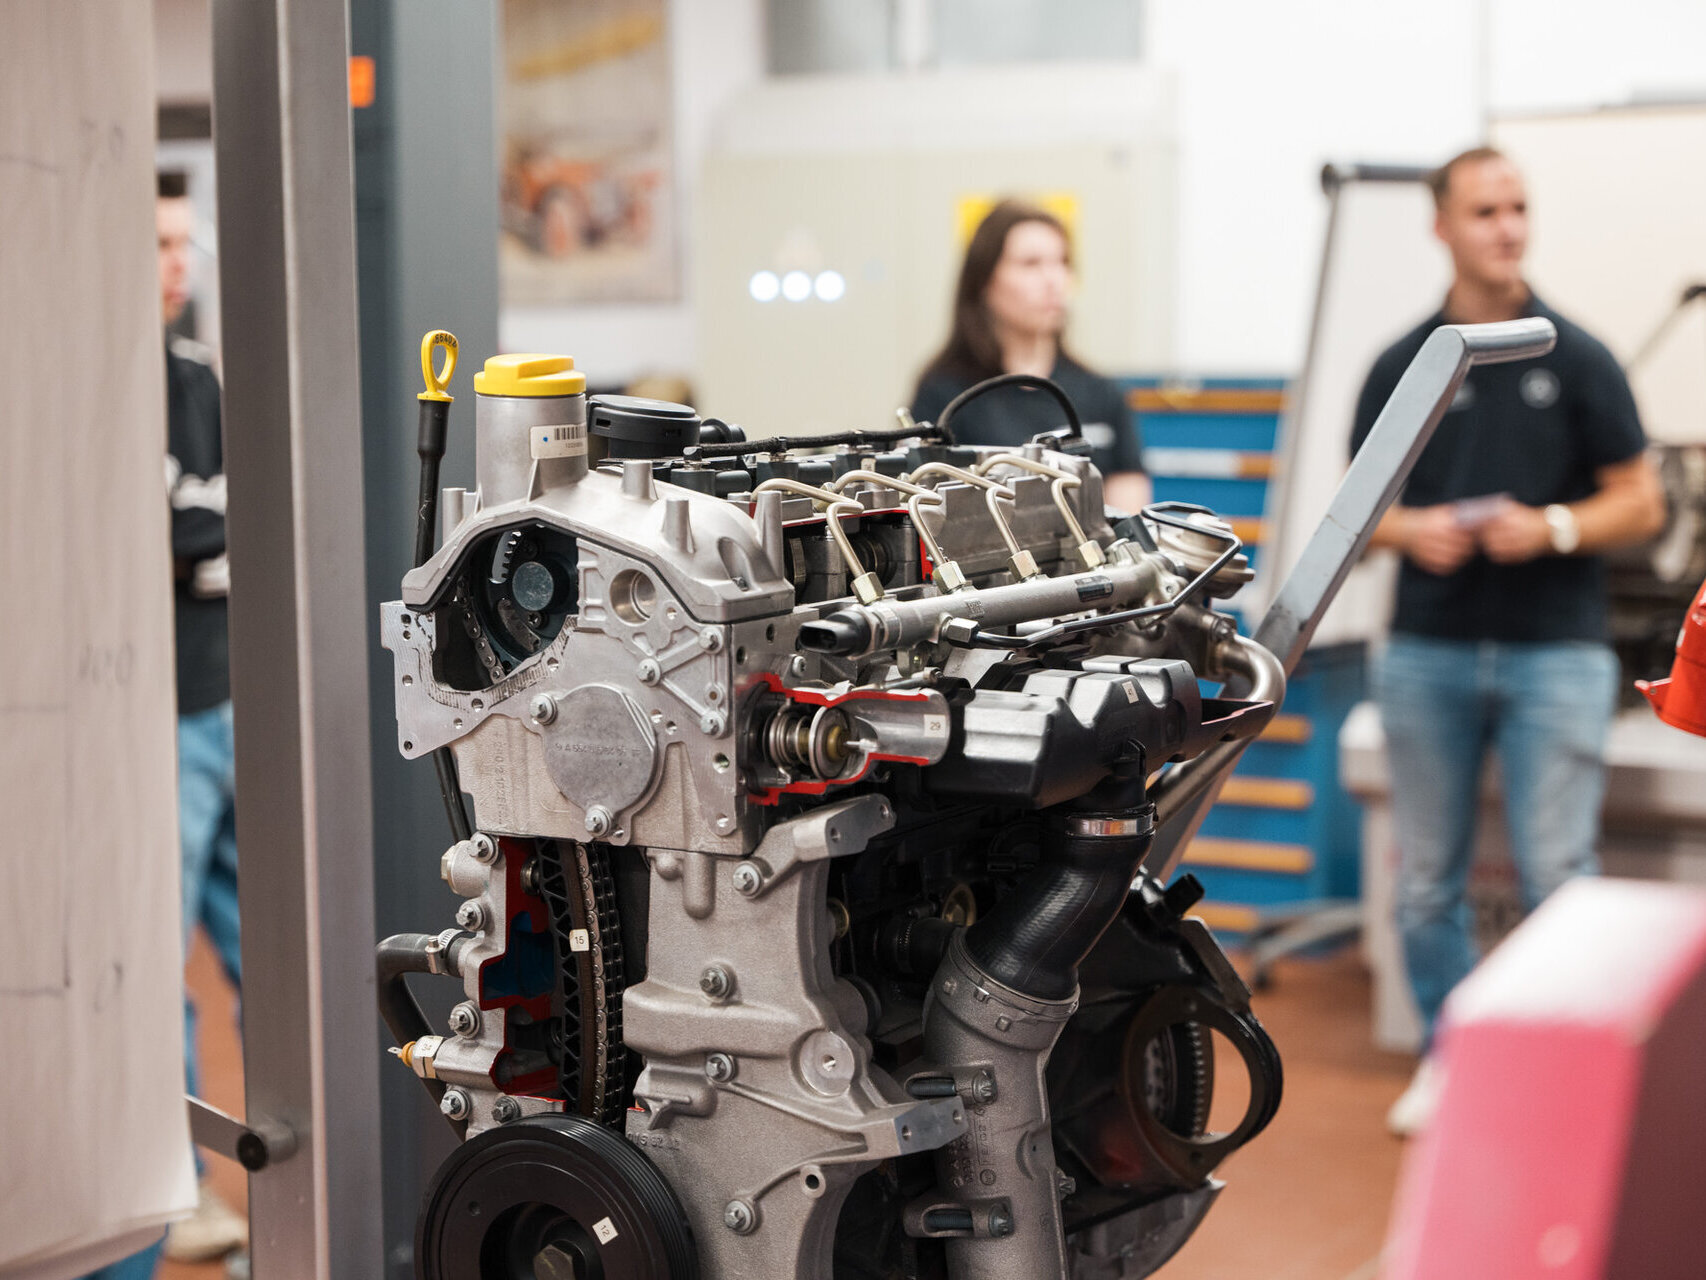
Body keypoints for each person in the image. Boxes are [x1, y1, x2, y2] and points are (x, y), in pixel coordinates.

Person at [1351, 147, 1664, 1136]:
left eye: (1518, 207)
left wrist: (1556, 526)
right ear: (1439, 223)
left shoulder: (1576, 356)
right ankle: (1454, 1058)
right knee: (1427, 881)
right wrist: (1413, 529)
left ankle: (1558, 1072)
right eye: (1484, 210)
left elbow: (1641, 500)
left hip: (1553, 654)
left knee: (1557, 880)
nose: (1506, 227)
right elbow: (1357, 516)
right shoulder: (1400, 364)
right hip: (1424, 652)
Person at [83, 172, 250, 1280]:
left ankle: (321, 1156)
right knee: (155, 968)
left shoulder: (195, 377)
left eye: (183, 242)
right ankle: (172, 1193)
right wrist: (194, 529)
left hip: (234, 703)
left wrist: (193, 528)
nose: (177, 264)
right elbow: (158, 532)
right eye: (155, 242)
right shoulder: (84, 385)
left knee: (280, 955)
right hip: (148, 717)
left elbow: (226, 519)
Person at [911, 199, 1148, 511]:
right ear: (983, 280)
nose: (1054, 281)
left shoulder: (1100, 393)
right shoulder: (946, 395)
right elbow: (926, 512)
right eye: (1031, 264)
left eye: (1062, 262)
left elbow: (1130, 519)